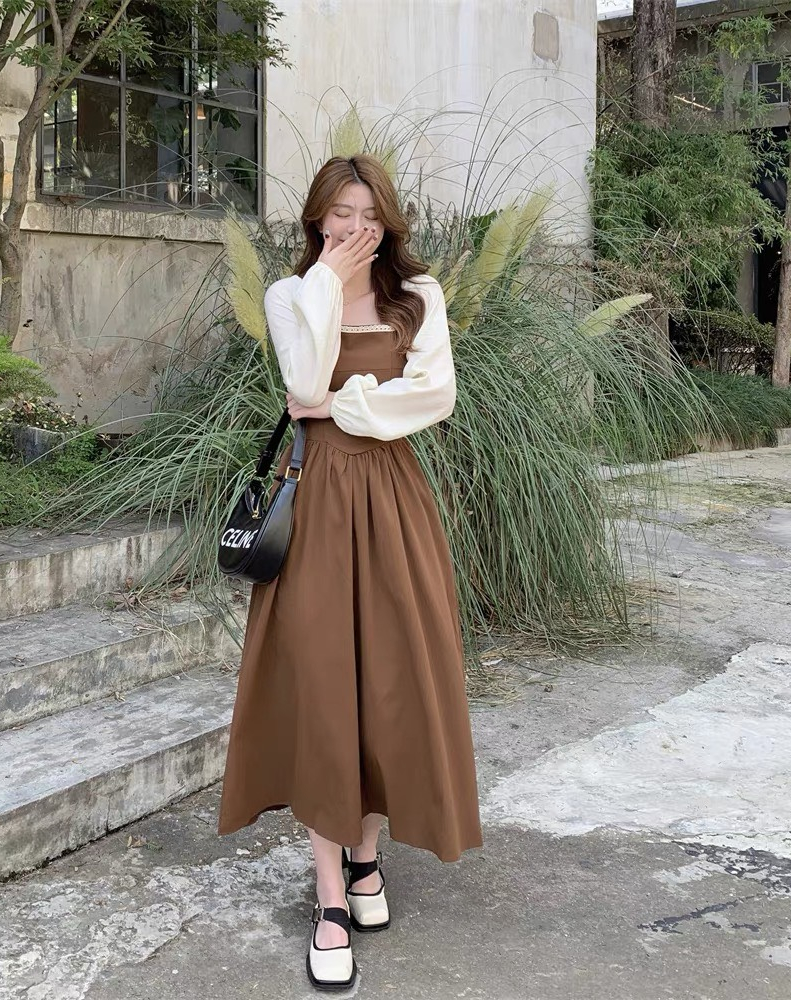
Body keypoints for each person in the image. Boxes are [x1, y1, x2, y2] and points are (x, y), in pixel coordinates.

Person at [218, 154, 482, 991]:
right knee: (325, 686)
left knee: (387, 681)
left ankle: (366, 856)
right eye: (340, 212)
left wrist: (341, 404)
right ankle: (332, 895)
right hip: (316, 502)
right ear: (317, 218)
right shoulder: (289, 295)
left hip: (394, 502)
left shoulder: (419, 296)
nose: (355, 227)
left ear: (388, 220)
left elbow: (433, 395)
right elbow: (299, 378)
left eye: (369, 214)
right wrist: (328, 285)